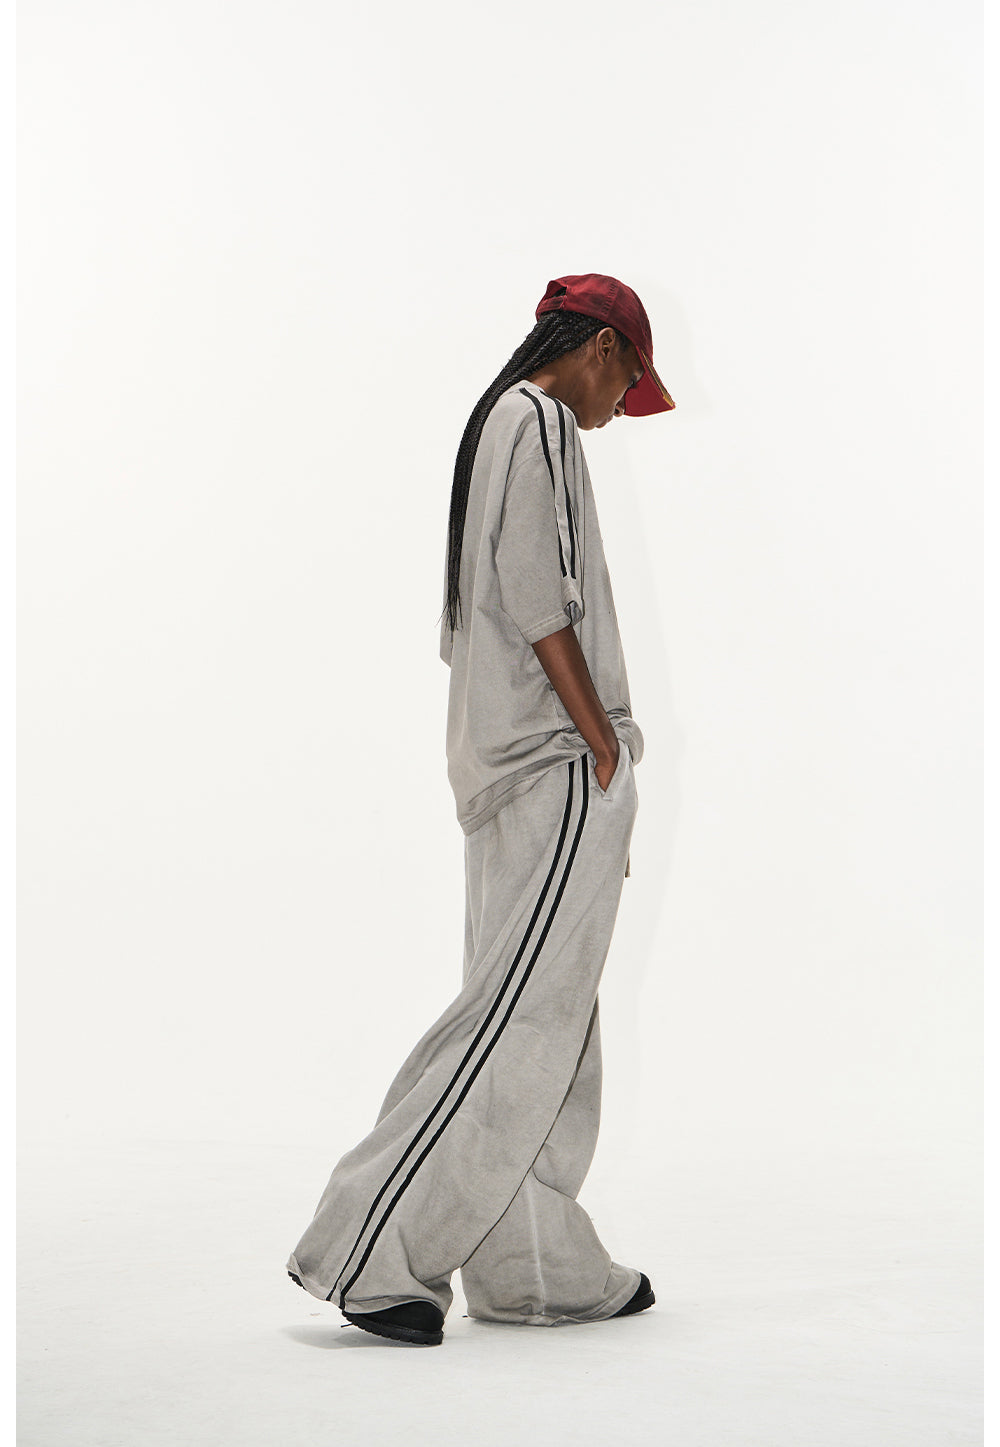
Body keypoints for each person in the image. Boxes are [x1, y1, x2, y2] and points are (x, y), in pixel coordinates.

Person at [286, 272, 675, 1347]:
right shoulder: (538, 419)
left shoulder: (496, 424)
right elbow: (537, 594)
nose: (620, 407)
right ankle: (366, 1245)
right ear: (599, 347)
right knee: (514, 1022)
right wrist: (601, 746)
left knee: (550, 1022)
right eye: (628, 381)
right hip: (552, 763)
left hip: (511, 772)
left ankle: (534, 1266)